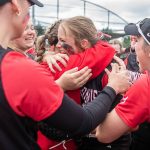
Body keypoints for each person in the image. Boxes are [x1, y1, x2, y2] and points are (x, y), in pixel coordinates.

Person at [0, 1, 130, 150]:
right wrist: (112, 86)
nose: (28, 16)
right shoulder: (22, 68)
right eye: (29, 7)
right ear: (16, 5)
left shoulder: (24, 65)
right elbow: (84, 122)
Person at [36, 17, 131, 150]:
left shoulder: (110, 70)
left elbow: (131, 121)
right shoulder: (67, 62)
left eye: (63, 41)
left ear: (84, 43)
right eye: (57, 40)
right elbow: (103, 49)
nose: (58, 45)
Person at [96, 18, 150, 146]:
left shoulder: (145, 85)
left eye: (137, 40)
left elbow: (103, 134)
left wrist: (113, 87)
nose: (133, 46)